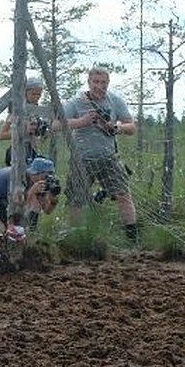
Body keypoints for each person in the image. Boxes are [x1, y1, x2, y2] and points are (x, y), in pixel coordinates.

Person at [56, 63, 139, 242]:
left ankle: (133, 238)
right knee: (76, 199)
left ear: (108, 83)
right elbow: (55, 124)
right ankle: (75, 238)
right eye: (96, 82)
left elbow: (132, 127)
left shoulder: (115, 101)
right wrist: (81, 122)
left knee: (123, 194)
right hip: (82, 159)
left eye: (103, 82)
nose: (99, 86)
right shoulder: (76, 102)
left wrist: (118, 127)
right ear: (89, 82)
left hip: (109, 158)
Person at [0, 157, 62, 234]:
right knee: (1, 230)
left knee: (17, 231)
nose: (46, 179)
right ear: (35, 174)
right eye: (45, 176)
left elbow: (47, 211)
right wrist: (32, 192)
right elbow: (18, 203)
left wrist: (52, 199)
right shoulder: (16, 177)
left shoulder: (40, 182)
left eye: (50, 176)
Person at [0, 76, 50, 167]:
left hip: (33, 151)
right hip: (17, 151)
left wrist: (43, 132)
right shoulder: (17, 110)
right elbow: (2, 135)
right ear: (25, 92)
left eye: (39, 95)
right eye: (33, 94)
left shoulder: (37, 111)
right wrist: (24, 130)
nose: (36, 97)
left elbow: (40, 138)